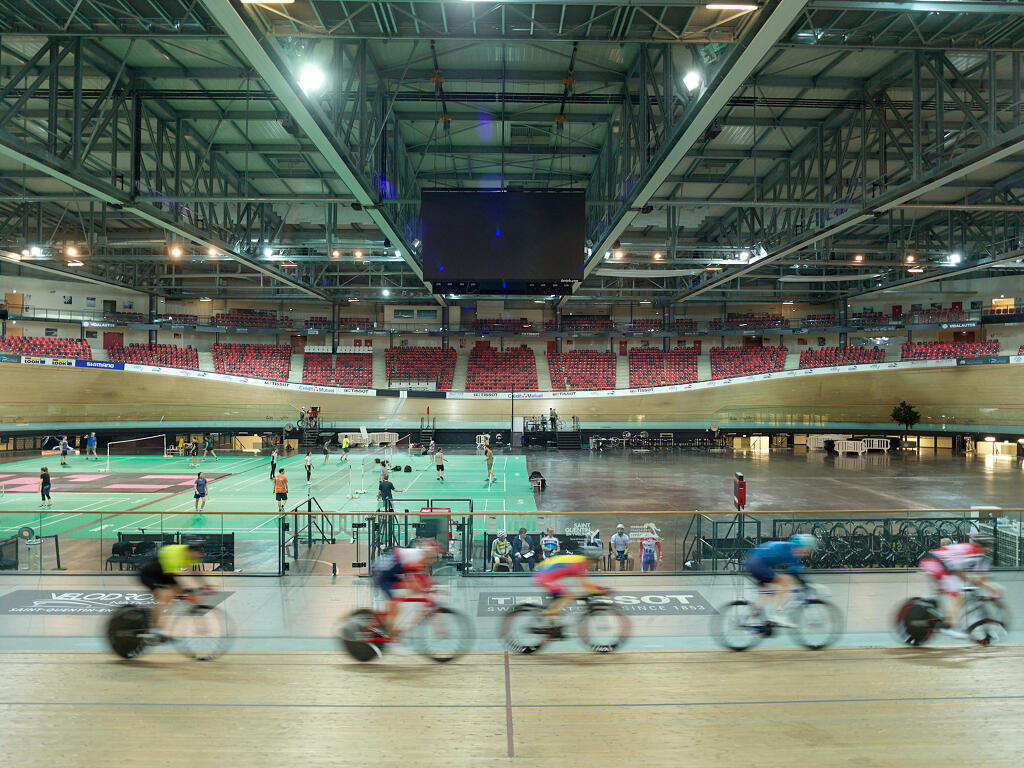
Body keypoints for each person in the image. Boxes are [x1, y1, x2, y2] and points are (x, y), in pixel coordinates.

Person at [920, 533, 1003, 634]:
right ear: (985, 547)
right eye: (989, 547)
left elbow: (968, 574)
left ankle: (930, 605)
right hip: (938, 564)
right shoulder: (976, 554)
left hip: (932, 560)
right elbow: (975, 578)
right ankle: (948, 626)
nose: (990, 549)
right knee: (959, 596)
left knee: (950, 588)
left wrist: (978, 584)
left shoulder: (971, 550)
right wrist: (994, 588)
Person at [741, 534, 817, 627]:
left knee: (767, 591)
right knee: (787, 581)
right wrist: (809, 586)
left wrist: (807, 585)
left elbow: (797, 573)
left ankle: (749, 618)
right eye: (809, 550)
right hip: (757, 563)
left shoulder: (790, 548)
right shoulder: (793, 551)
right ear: (804, 547)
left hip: (751, 561)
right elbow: (795, 575)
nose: (808, 553)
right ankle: (779, 614)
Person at [372, 539, 442, 637]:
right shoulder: (416, 558)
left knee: (408, 592)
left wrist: (433, 587)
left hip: (390, 573)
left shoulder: (420, 558)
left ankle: (393, 627)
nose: (434, 561)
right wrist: (426, 591)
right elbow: (414, 578)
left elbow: (424, 577)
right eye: (433, 557)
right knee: (396, 605)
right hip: (383, 575)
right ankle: (389, 632)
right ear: (428, 554)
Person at [137, 542, 205, 638]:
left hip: (161, 573)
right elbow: (171, 579)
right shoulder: (174, 554)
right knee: (162, 595)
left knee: (171, 596)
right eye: (196, 557)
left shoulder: (190, 555)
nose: (196, 559)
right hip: (148, 573)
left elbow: (195, 572)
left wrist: (205, 586)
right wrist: (188, 592)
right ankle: (155, 628)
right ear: (191, 551)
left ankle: (160, 626)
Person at [532, 547, 604, 632]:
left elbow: (586, 585)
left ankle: (552, 622)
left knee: (564, 594)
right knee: (569, 594)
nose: (595, 564)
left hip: (544, 573)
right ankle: (547, 616)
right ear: (590, 559)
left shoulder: (581, 561)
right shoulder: (580, 564)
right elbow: (585, 585)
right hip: (543, 575)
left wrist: (599, 589)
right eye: (595, 561)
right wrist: (601, 590)